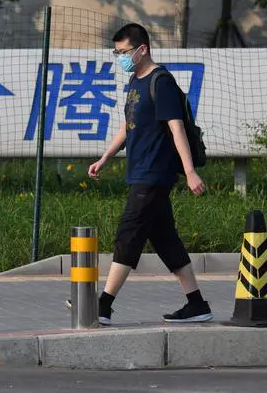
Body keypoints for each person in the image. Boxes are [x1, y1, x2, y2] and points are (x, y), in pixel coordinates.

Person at [87, 23, 212, 325]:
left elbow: (176, 128)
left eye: (124, 52)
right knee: (165, 239)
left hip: (154, 173)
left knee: (128, 234)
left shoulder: (161, 81)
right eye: (117, 53)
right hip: (141, 171)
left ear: (142, 49)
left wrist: (190, 172)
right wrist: (105, 158)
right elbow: (127, 125)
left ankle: (103, 305)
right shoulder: (135, 81)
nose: (120, 58)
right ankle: (197, 305)